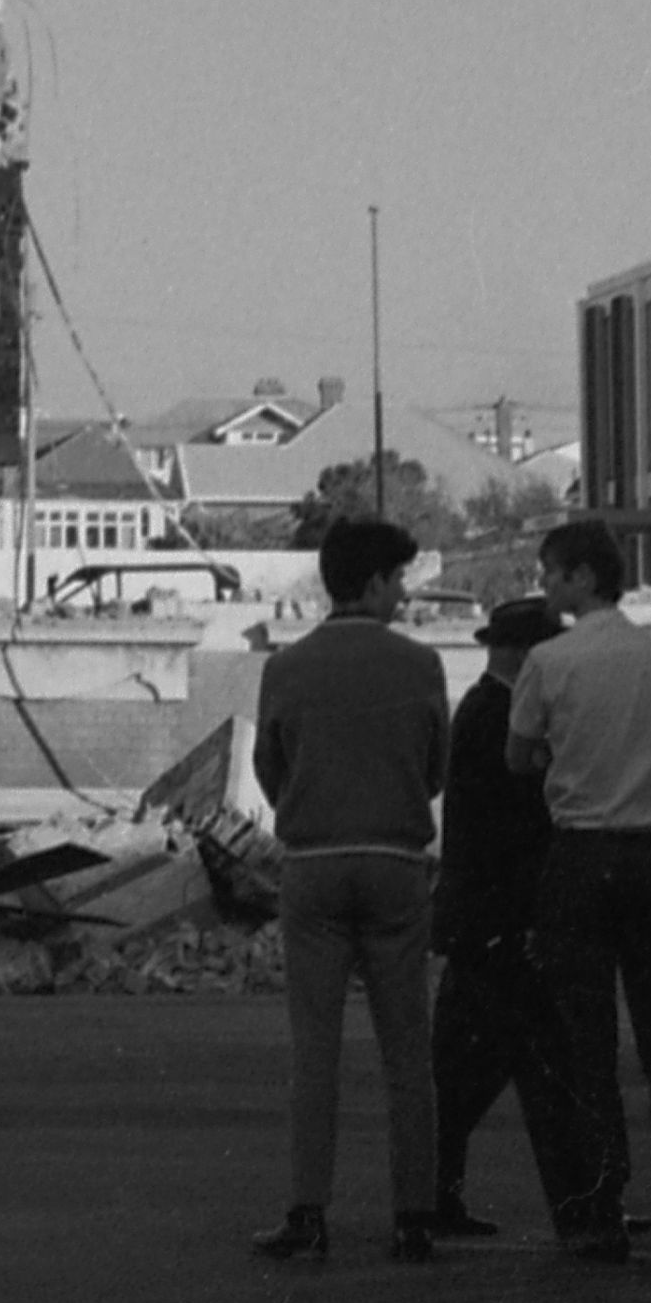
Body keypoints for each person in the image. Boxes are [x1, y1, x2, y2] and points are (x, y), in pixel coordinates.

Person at [506, 518, 651, 1266]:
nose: (544, 585)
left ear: (580, 576)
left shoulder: (547, 660)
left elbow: (520, 754)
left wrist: (562, 763)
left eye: (550, 572)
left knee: (588, 1044)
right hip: (646, 854)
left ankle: (604, 1207)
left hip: (577, 854)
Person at [247, 517, 453, 1263]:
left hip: (314, 861)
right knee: (407, 1050)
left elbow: (270, 767)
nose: (402, 594)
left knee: (316, 1048)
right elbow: (438, 768)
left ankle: (308, 1209)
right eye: (398, 580)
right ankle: (413, 1214)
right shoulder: (421, 664)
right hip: (395, 860)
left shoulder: (286, 666)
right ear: (372, 582)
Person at [428, 593, 586, 1240]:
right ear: (526, 655)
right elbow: (518, 828)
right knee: (534, 1069)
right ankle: (579, 1206)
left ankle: (439, 1197)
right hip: (502, 923)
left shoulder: (485, 709)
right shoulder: (502, 716)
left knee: (477, 1072)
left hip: (481, 921)